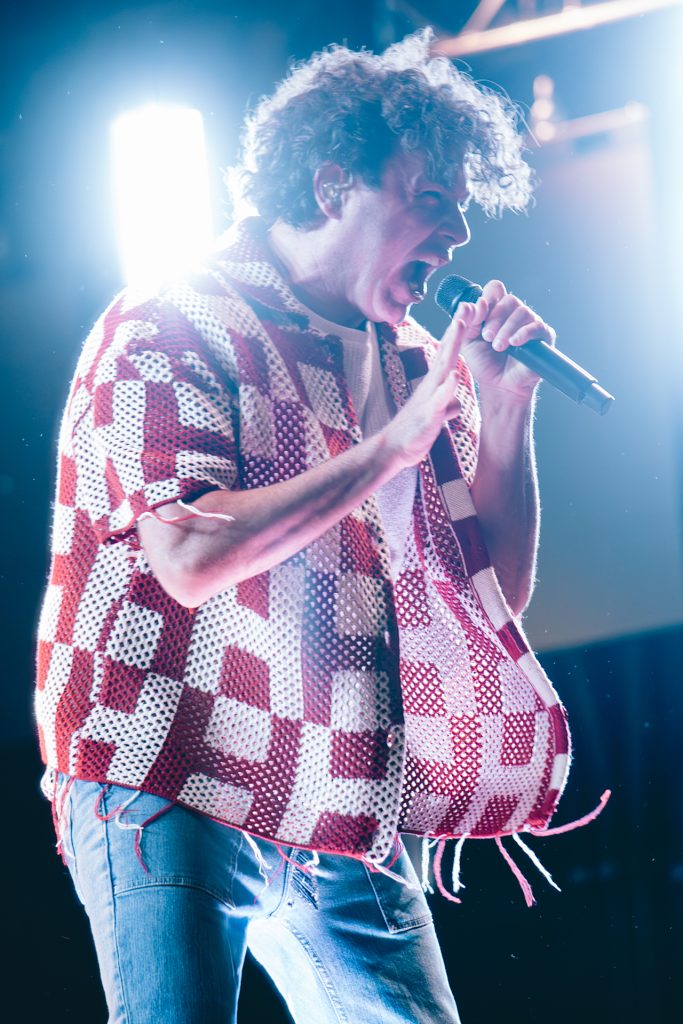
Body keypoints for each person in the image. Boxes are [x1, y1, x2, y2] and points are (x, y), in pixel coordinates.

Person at [36, 28, 571, 1024]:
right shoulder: (168, 317)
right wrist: (389, 448)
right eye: (430, 201)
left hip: (328, 771)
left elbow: (493, 591)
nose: (454, 236)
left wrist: (500, 412)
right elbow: (190, 553)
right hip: (169, 765)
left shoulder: (408, 360)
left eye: (461, 207)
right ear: (332, 188)